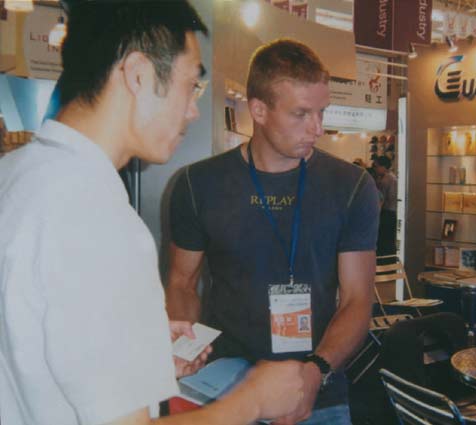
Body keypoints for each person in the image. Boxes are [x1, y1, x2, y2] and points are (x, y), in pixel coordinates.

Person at [0, 2, 304, 425]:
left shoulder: (15, 174)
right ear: (139, 74)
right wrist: (253, 399)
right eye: (191, 84)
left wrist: (137, 350)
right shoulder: (101, 221)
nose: (193, 109)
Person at [166, 38, 379, 424]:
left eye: (321, 111)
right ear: (259, 110)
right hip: (224, 379)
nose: (317, 128)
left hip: (316, 383)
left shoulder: (351, 186)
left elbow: (357, 299)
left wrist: (316, 371)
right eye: (301, 114)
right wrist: (186, 345)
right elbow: (182, 282)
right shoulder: (198, 185)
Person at [373, 155, 398, 257]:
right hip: (390, 212)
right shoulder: (389, 177)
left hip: (387, 212)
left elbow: (382, 199)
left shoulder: (387, 179)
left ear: (383, 166)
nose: (376, 169)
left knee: (385, 240)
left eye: (377, 166)